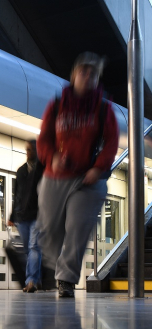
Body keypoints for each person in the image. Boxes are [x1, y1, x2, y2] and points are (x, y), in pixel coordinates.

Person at [37, 52, 119, 298]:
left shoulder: (103, 109)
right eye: (83, 71)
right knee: (50, 231)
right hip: (55, 176)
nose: (88, 76)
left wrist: (98, 167)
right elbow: (44, 138)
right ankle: (54, 265)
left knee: (77, 228)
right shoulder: (58, 104)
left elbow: (112, 142)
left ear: (97, 79)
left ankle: (66, 280)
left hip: (87, 180)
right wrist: (51, 156)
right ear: (73, 75)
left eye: (93, 73)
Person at [7, 140, 44, 293]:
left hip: (38, 215)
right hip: (22, 216)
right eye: (27, 150)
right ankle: (38, 279)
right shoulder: (21, 171)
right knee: (29, 251)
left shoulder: (44, 169)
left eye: (31, 150)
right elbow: (17, 195)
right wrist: (12, 216)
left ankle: (30, 281)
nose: (29, 153)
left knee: (33, 246)